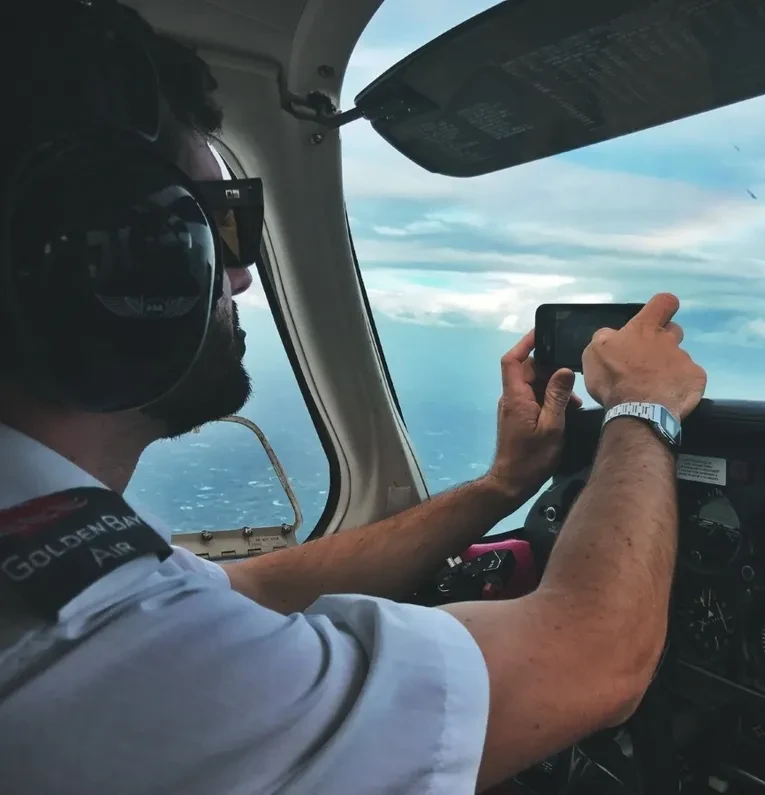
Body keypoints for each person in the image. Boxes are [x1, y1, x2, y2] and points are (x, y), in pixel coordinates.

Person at [0, 3, 708, 794]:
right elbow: (596, 659)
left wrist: (501, 486)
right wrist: (642, 405)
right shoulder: (105, 659)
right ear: (121, 264)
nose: (241, 275)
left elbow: (254, 589)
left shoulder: (51, 558)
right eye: (217, 224)